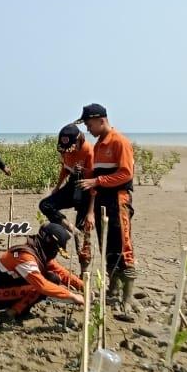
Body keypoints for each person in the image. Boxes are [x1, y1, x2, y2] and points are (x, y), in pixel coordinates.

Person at [76, 104, 138, 316]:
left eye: (89, 124)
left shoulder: (119, 142)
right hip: (102, 199)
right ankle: (113, 289)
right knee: (107, 247)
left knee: (123, 245)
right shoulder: (98, 145)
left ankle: (128, 298)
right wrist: (91, 206)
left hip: (118, 199)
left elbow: (126, 174)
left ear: (101, 120)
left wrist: (97, 180)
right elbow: (94, 180)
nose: (87, 129)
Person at [0, 222, 84, 319]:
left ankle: (18, 310)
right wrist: (72, 296)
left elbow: (61, 272)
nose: (56, 253)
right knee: (41, 286)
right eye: (56, 249)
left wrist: (84, 286)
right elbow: (42, 286)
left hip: (8, 285)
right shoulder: (25, 256)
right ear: (49, 242)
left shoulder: (38, 252)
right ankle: (13, 312)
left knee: (53, 278)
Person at [39, 123, 94, 273]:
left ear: (79, 139)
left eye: (72, 146)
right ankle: (71, 228)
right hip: (72, 186)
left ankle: (84, 272)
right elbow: (65, 168)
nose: (70, 150)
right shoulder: (65, 150)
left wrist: (91, 211)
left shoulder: (88, 150)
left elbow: (95, 180)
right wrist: (57, 187)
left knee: (84, 234)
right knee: (45, 205)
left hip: (87, 189)